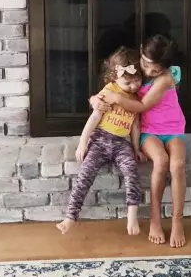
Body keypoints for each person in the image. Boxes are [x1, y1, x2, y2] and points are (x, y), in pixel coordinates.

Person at [92, 34, 187, 249]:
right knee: (161, 161)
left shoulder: (165, 79)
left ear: (166, 68)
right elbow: (110, 86)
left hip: (173, 129)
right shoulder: (136, 69)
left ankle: (177, 221)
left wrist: (117, 99)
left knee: (178, 164)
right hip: (149, 131)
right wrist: (95, 99)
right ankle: (155, 219)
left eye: (156, 70)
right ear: (142, 52)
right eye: (146, 65)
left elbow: (142, 106)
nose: (148, 72)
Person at [56, 47, 145, 237]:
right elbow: (94, 119)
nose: (133, 86)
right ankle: (70, 217)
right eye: (127, 82)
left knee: (132, 173)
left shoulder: (137, 99)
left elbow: (136, 126)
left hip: (122, 143)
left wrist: (136, 149)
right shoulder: (108, 93)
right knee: (85, 176)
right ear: (114, 78)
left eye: (137, 80)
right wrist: (83, 143)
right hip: (99, 140)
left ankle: (132, 216)